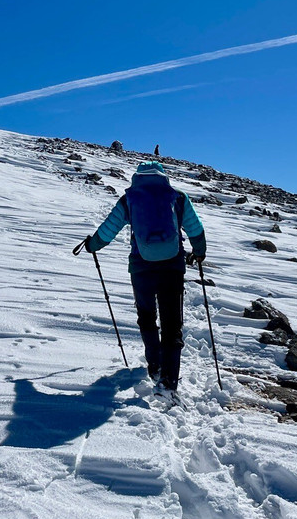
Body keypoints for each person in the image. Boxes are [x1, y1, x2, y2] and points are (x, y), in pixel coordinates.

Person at [82, 162, 206, 393]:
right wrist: (199, 253)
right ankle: (169, 382)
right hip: (172, 268)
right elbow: (196, 230)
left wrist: (92, 245)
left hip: (141, 268)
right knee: (172, 324)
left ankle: (154, 365)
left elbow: (108, 229)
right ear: (163, 177)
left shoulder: (130, 199)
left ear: (137, 177)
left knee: (147, 317)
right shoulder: (177, 198)